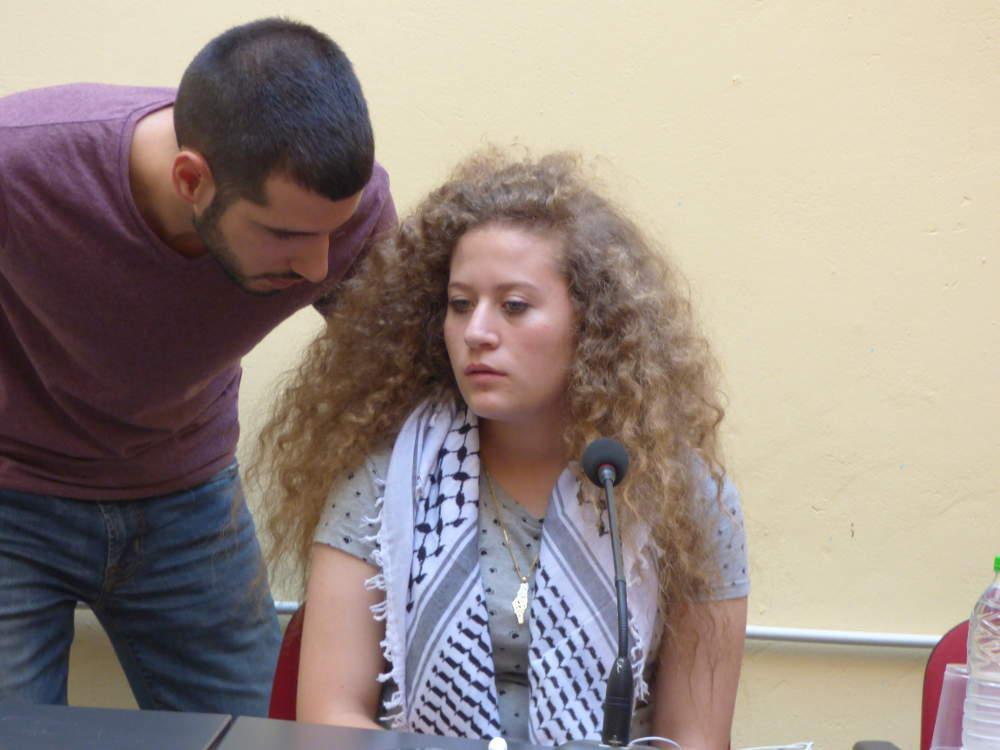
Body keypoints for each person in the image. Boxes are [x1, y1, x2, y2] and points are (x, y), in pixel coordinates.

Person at [254, 150, 749, 748]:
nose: (477, 333)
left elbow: (694, 738)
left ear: (593, 323)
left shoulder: (685, 496)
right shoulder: (385, 479)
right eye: (460, 305)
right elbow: (329, 718)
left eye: (514, 306)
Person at [0, 18, 395, 715]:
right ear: (191, 179)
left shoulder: (347, 212)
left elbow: (407, 372)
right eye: (286, 235)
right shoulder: (21, 164)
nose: (317, 266)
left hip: (189, 502)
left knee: (260, 733)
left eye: (332, 233)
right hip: (13, 499)